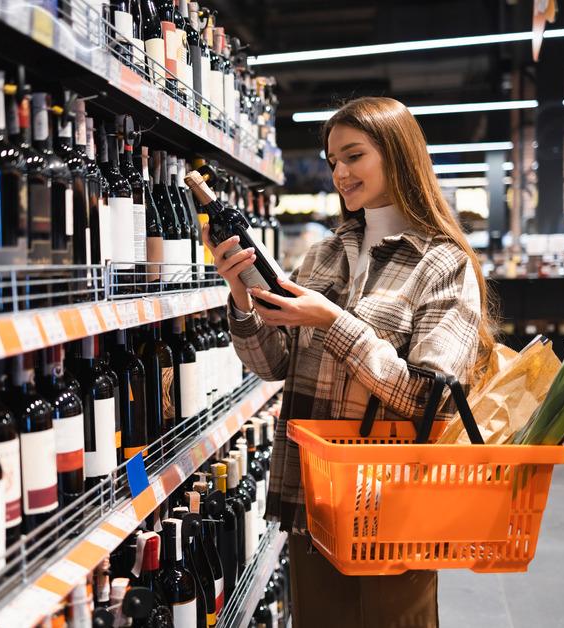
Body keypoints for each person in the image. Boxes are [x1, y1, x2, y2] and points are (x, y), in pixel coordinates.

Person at [203, 96, 495, 627]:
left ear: (398, 155)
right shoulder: (324, 254)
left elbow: (427, 396)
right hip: (313, 496)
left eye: (353, 155)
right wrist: (241, 297)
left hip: (394, 502)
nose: (339, 171)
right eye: (332, 159)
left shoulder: (442, 263)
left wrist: (330, 322)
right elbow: (274, 365)